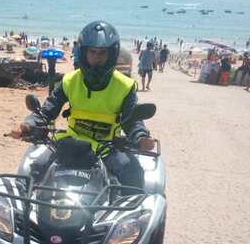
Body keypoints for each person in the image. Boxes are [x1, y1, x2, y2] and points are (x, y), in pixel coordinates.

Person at [10, 21, 155, 188]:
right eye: (92, 52)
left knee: (133, 174)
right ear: (83, 52)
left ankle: (131, 214)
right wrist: (27, 125)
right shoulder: (70, 80)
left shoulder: (124, 86)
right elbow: (47, 111)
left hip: (106, 147)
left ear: (111, 54)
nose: (96, 58)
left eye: (102, 53)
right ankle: (27, 213)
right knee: (33, 170)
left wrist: (141, 137)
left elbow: (132, 120)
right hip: (69, 143)